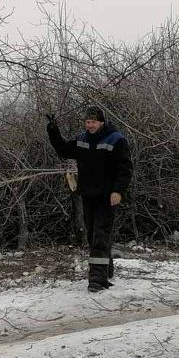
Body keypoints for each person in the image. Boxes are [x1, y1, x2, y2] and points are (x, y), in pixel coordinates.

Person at [47, 105, 132, 292]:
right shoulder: (81, 139)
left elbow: (125, 169)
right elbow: (63, 150)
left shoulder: (116, 140)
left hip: (107, 196)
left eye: (93, 122)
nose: (90, 125)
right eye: (87, 122)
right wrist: (53, 131)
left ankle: (96, 279)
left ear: (101, 122)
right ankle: (106, 269)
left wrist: (118, 191)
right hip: (87, 194)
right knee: (93, 233)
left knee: (101, 234)